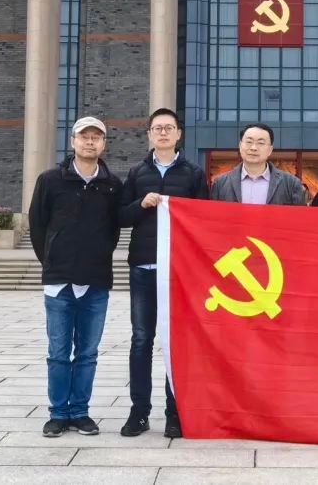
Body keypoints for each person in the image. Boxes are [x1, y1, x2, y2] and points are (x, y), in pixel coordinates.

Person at [28, 116, 122, 439]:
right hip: (59, 283)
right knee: (58, 352)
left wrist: (98, 255)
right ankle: (58, 413)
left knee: (87, 353)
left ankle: (80, 412)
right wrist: (52, 260)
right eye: (84, 136)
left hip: (96, 282)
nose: (90, 141)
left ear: (103, 144)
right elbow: (37, 225)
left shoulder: (112, 185)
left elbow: (113, 230)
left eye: (96, 137)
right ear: (73, 142)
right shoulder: (50, 180)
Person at [118, 107, 209, 440]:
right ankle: (139, 412)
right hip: (143, 267)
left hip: (179, 272)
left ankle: (175, 412)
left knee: (177, 342)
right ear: (149, 134)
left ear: (179, 134)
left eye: (169, 128)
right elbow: (121, 217)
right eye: (157, 128)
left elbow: (204, 218)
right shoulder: (136, 173)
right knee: (141, 339)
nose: (163, 133)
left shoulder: (194, 173)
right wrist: (140, 204)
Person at [210, 123, 307, 205]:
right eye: (249, 142)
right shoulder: (220, 183)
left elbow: (299, 218)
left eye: (260, 143)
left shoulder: (291, 184)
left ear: (270, 150)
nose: (253, 148)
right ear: (240, 146)